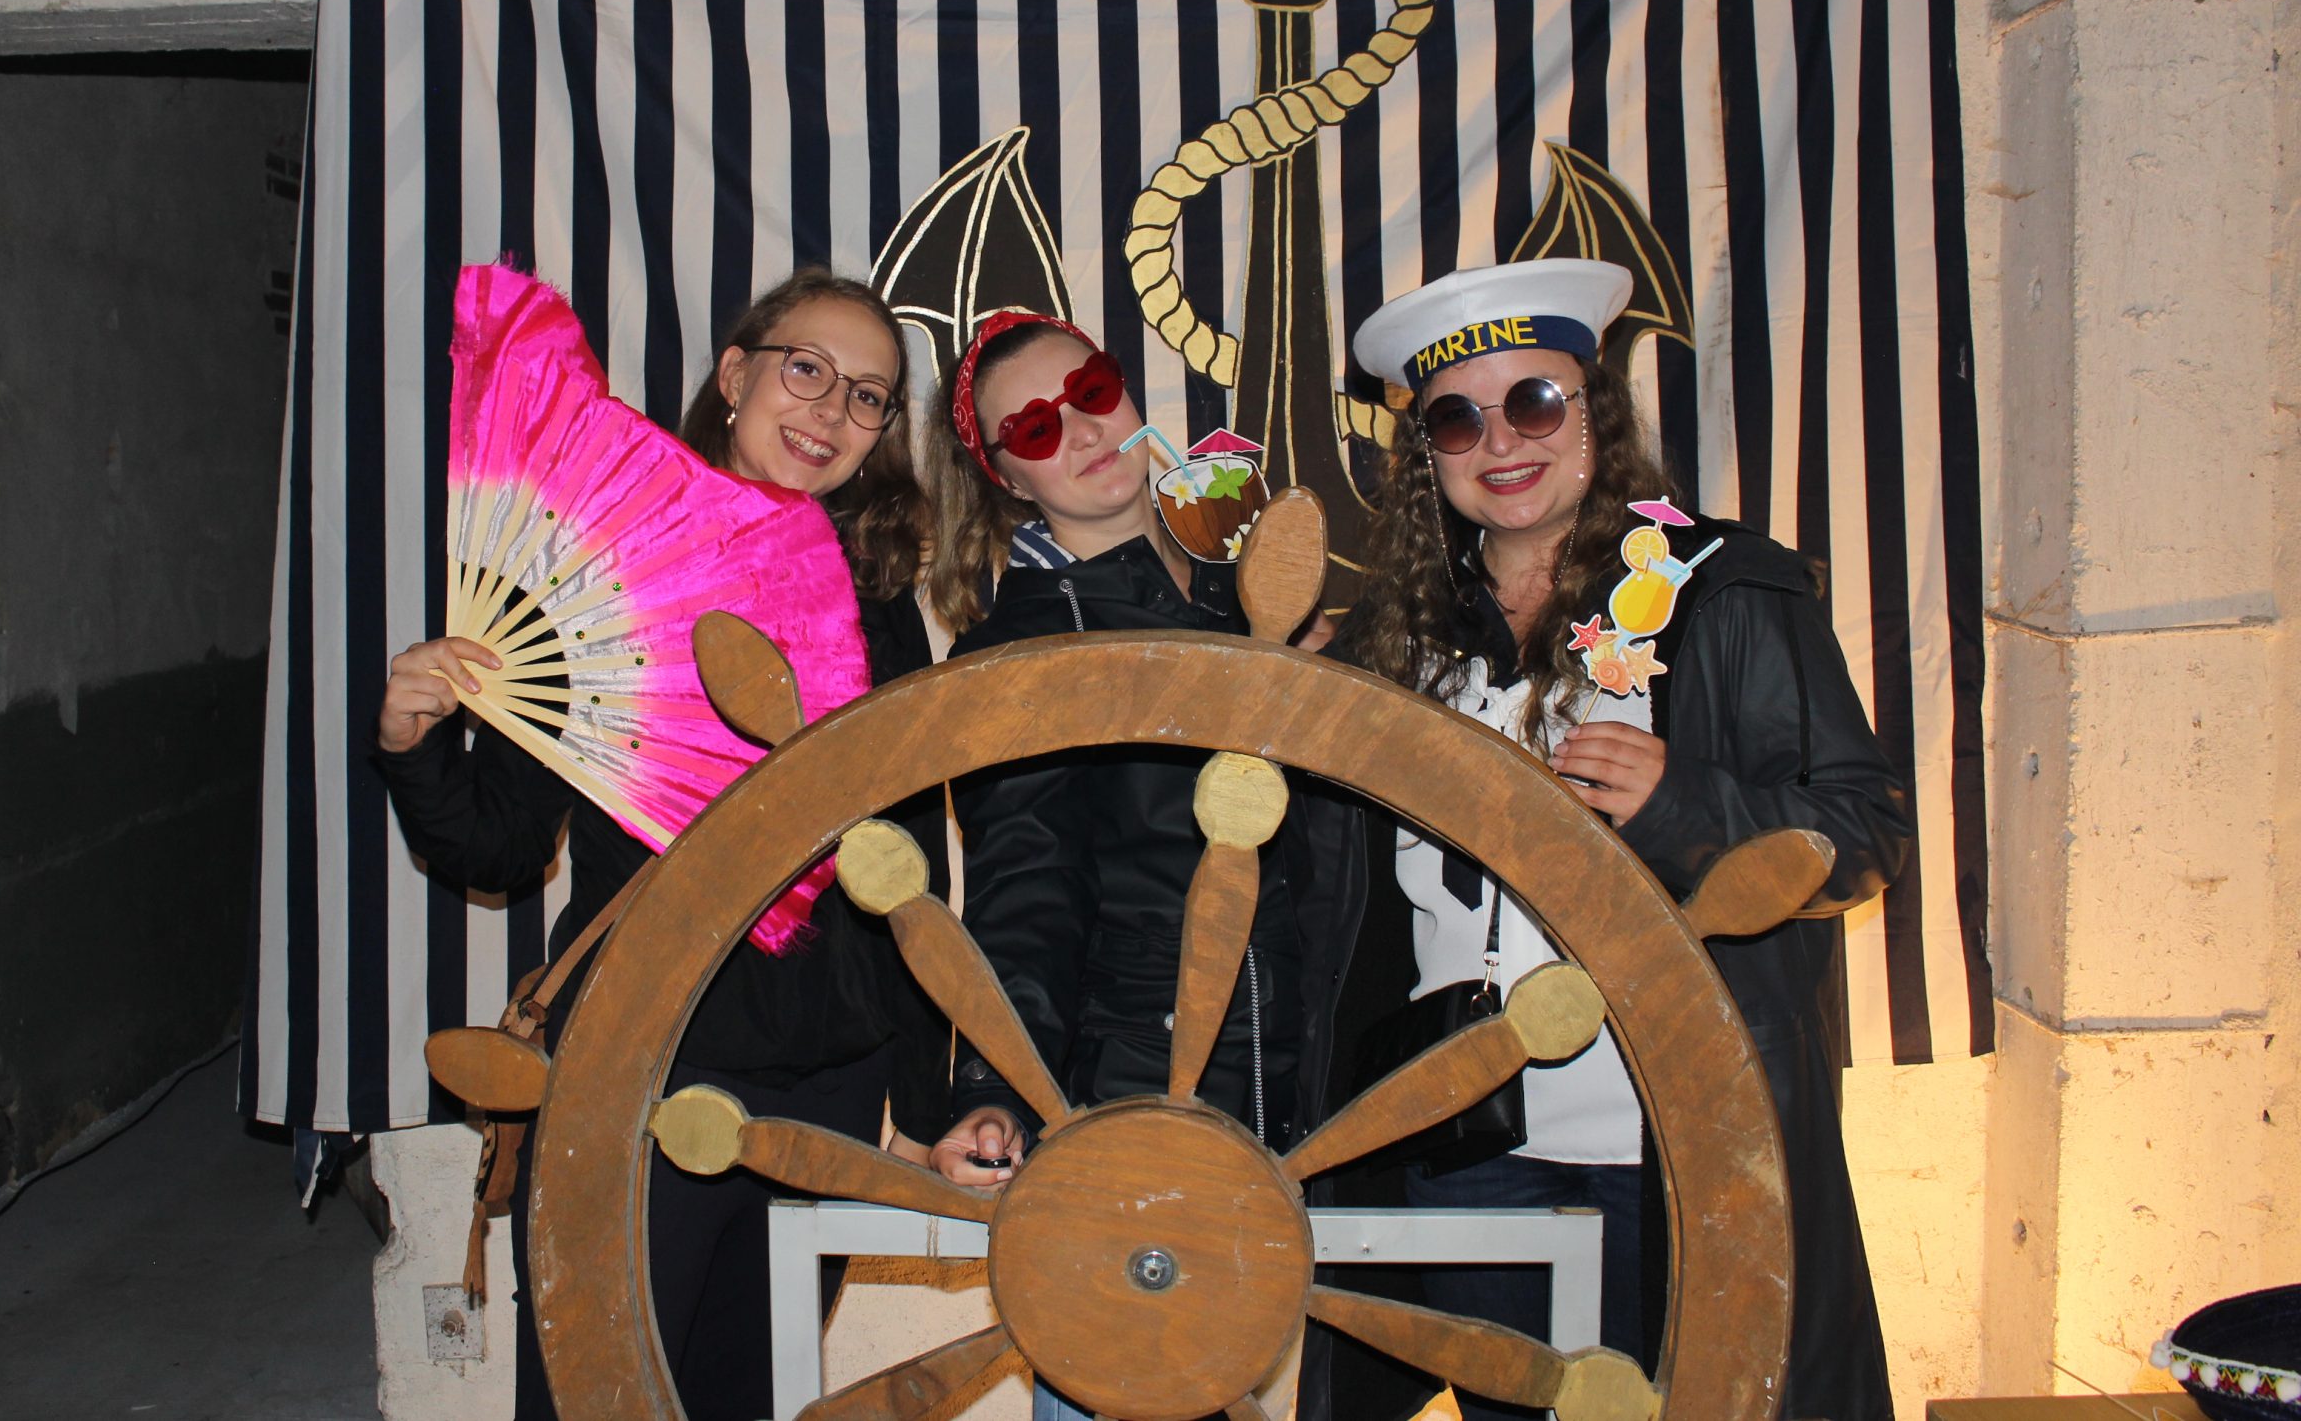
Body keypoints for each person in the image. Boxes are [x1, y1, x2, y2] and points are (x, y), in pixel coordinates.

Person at [1328, 257, 1907, 1421]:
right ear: (1426, 455)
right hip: (1463, 1140)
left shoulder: (1723, 590)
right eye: (1457, 419)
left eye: (1534, 401)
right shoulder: (1390, 638)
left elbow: (1861, 833)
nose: (1501, 441)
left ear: (1595, 409)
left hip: (1667, 1142)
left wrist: (1681, 801)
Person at [369, 268, 950, 1421]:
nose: (831, 412)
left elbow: (906, 870)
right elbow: (499, 845)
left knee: (748, 1390)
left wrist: (922, 1097)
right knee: (594, 1385)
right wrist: (410, 742)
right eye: (806, 370)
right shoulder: (601, 571)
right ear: (734, 375)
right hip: (638, 1060)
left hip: (826, 1079)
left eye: (867, 395)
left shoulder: (877, 602)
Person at [919, 310, 1343, 1421]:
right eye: (1034, 426)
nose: (1080, 429)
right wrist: (992, 1089)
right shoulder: (1014, 651)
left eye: (1092, 390)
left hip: (1305, 1090)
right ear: (1006, 474)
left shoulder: (1252, 591)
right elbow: (1023, 888)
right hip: (1135, 1095)